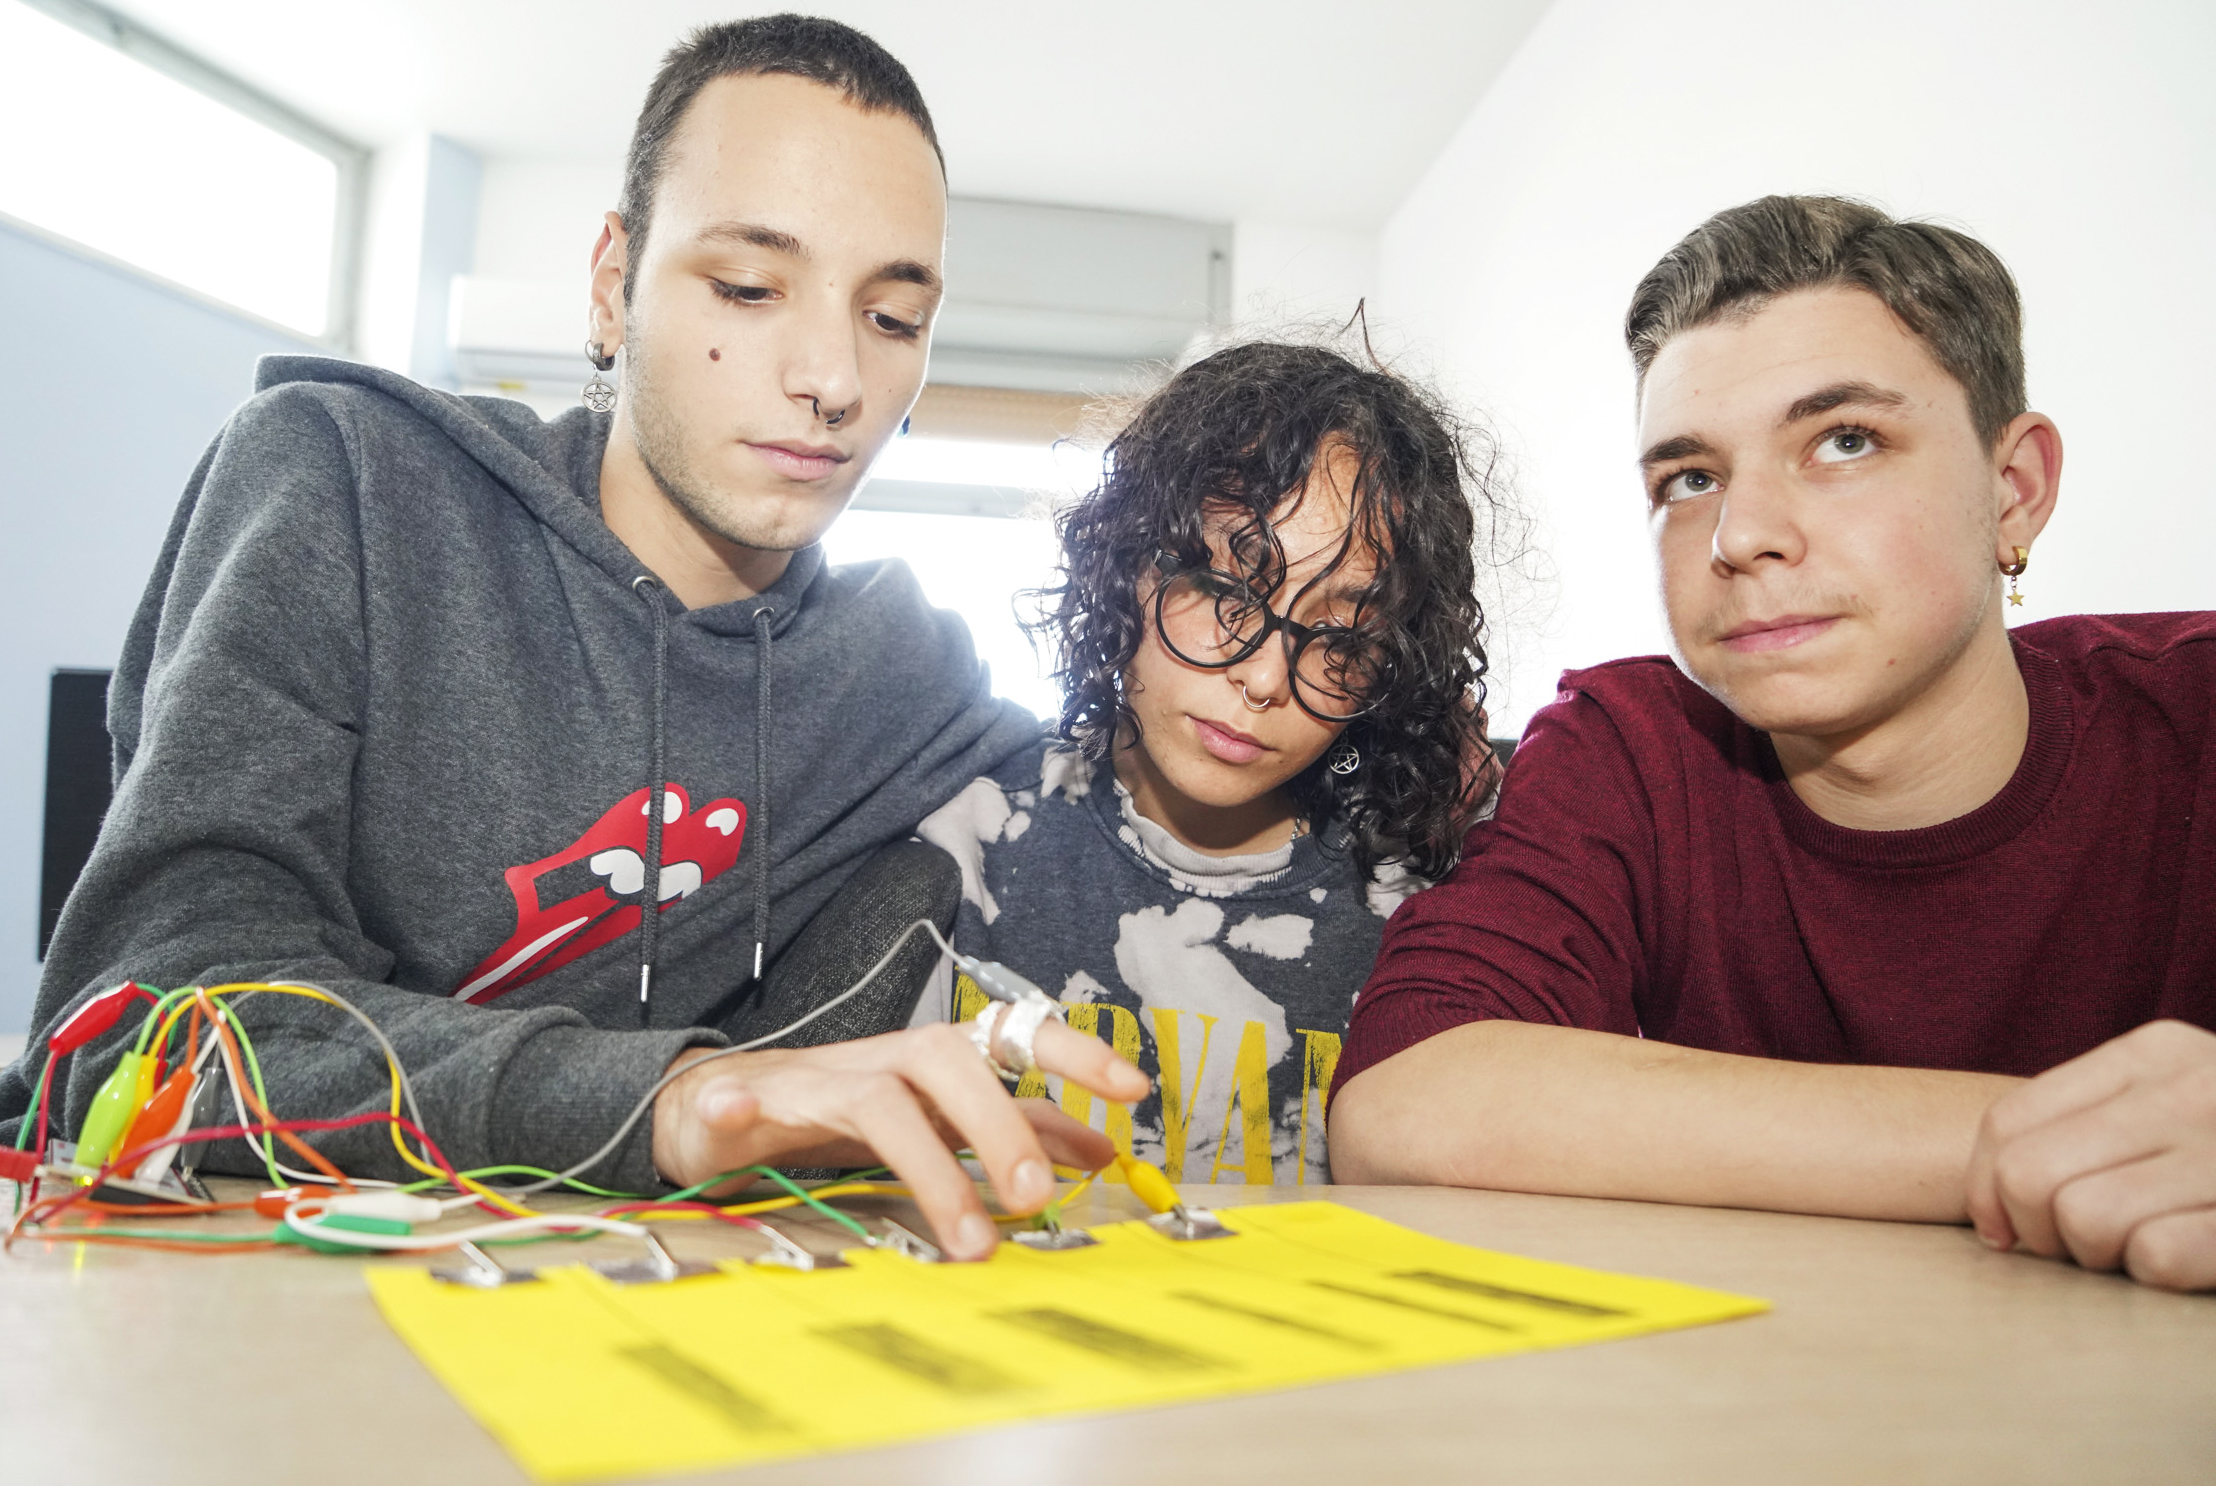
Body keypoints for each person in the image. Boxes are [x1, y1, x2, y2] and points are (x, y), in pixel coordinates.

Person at [0, 14, 1144, 1262]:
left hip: (615, 1302)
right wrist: (663, 1099)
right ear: (612, 283)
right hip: (212, 1289)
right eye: (749, 288)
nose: (832, 378)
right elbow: (143, 1027)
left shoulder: (904, 672)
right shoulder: (343, 481)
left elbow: (1166, 760)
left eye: (892, 318)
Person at [1328, 195, 2216, 1292]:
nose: (1742, 535)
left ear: (2013, 489)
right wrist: (2063, 1137)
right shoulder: (1633, 753)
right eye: (1689, 478)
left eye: (1843, 442)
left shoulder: (2194, 718)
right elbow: (1409, 1094)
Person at [914, 340, 1500, 1186]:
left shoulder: (1424, 904)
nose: (1264, 679)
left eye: (1341, 637)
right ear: (1125, 564)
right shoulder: (972, 843)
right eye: (1226, 593)